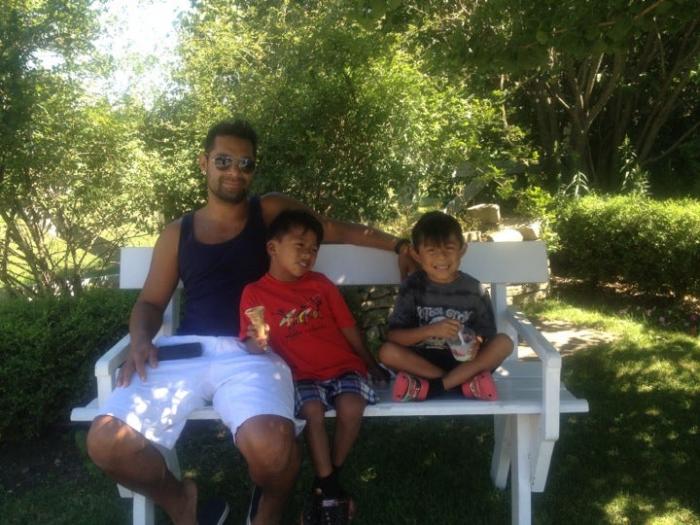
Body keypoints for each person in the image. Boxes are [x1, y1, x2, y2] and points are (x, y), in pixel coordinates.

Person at [85, 119, 413, 525]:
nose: (235, 171)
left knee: (273, 449)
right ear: (204, 162)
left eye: (246, 163)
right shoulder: (178, 233)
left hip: (254, 352)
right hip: (186, 352)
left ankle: (267, 511)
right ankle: (179, 500)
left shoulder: (267, 211)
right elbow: (151, 303)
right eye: (223, 160)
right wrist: (139, 340)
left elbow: (331, 228)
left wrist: (399, 245)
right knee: (106, 443)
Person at [239, 210, 389, 525]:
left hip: (342, 366)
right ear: (272, 248)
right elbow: (252, 343)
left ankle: (326, 482)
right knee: (312, 411)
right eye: (300, 245)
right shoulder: (255, 293)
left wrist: (370, 362)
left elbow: (347, 327)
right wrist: (257, 342)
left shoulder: (320, 285)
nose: (308, 254)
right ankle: (330, 490)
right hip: (300, 374)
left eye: (314, 249)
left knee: (352, 406)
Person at [378, 211, 513, 402]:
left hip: (466, 362)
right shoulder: (413, 287)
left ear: (462, 250)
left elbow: (486, 334)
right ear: (416, 255)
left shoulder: (474, 289)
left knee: (504, 343)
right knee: (387, 352)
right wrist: (430, 330)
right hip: (423, 363)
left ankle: (433, 389)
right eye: (431, 250)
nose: (441, 257)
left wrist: (477, 343)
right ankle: (462, 384)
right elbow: (394, 336)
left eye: (449, 248)